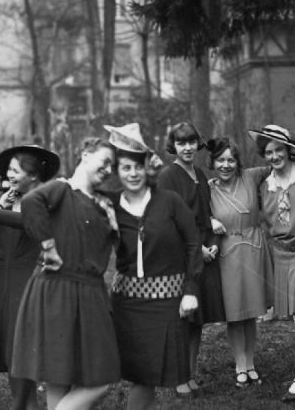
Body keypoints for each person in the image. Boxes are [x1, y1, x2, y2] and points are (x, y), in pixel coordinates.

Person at [8, 137, 120, 410]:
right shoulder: (62, 187)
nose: (108, 170)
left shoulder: (103, 202)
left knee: (67, 376)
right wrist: (48, 247)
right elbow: (32, 201)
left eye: (112, 166)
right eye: (105, 161)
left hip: (89, 292)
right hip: (58, 290)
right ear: (85, 155)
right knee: (79, 378)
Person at [103, 123, 202, 409]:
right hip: (126, 304)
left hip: (167, 302)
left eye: (138, 167)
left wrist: (191, 290)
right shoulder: (110, 205)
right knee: (134, 374)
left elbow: (193, 243)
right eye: (126, 168)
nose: (133, 174)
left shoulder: (169, 201)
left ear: (148, 167)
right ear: (117, 171)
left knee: (149, 375)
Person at [0, 144, 59, 410]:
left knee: (23, 347)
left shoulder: (45, 198)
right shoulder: (1, 195)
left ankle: (22, 404)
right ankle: (27, 404)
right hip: (1, 277)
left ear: (33, 174)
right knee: (10, 347)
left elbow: (28, 221)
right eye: (9, 170)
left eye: (15, 171)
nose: (9, 176)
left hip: (29, 277)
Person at [157, 122, 225, 396]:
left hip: (204, 250)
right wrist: (197, 249)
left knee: (197, 318)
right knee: (182, 319)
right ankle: (178, 377)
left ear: (198, 144)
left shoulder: (200, 173)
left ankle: (190, 374)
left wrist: (211, 243)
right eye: (181, 143)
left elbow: (205, 214)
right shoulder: (167, 176)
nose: (187, 148)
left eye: (191, 142)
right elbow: (168, 221)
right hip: (181, 254)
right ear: (173, 145)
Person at [247, 124, 295, 402]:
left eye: (279, 150)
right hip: (281, 253)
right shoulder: (265, 184)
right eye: (268, 152)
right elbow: (234, 179)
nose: (274, 156)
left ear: (289, 150)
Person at [206, 136, 272, 388]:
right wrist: (210, 220)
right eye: (220, 160)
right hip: (227, 251)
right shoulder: (208, 188)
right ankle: (240, 364)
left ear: (238, 162)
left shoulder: (251, 176)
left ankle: (251, 362)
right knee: (235, 313)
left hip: (253, 246)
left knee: (251, 311)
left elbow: (278, 163)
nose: (226, 165)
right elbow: (195, 213)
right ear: (213, 163)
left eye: (231, 160)